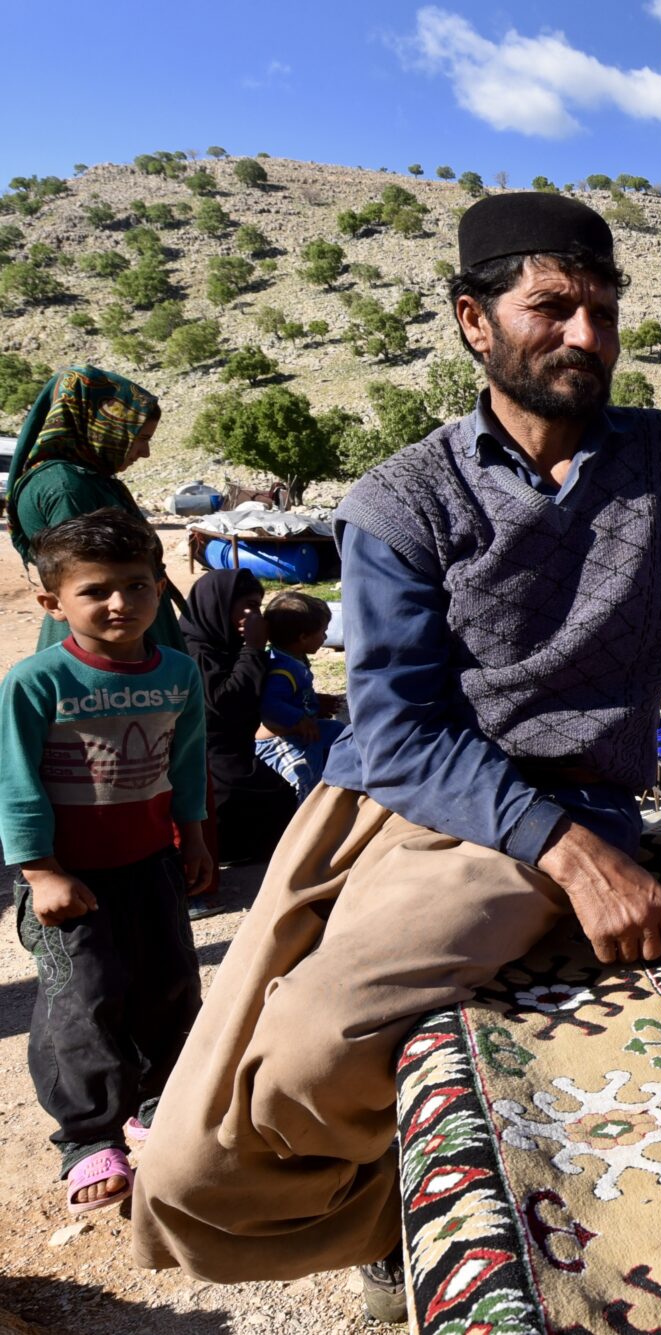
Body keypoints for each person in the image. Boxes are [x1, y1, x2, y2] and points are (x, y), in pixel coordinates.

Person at [130, 192, 661, 1322]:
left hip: (531, 819)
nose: (584, 336)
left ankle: (409, 1212)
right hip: (397, 800)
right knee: (201, 1152)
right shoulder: (403, 501)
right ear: (473, 321)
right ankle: (409, 1208)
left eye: (602, 310)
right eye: (551, 306)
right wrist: (572, 856)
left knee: (310, 1054)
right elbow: (401, 728)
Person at [0, 509, 212, 1215]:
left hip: (151, 862)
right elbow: (16, 782)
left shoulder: (179, 672)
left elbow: (185, 765)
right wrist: (39, 872)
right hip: (72, 878)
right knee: (83, 1000)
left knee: (171, 982)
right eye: (96, 590)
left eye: (137, 584)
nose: (120, 602)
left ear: (160, 586)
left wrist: (196, 837)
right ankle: (89, 1135)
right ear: (53, 602)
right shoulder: (36, 682)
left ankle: (161, 1103)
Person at [4, 366, 188, 654]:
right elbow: (88, 573)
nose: (144, 452)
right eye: (141, 438)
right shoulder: (67, 486)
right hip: (110, 646)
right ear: (103, 426)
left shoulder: (89, 479)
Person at [178, 569, 298, 865]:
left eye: (258, 606)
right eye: (246, 605)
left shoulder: (228, 646)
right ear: (217, 605)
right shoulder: (194, 651)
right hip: (209, 761)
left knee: (280, 796)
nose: (253, 615)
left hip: (237, 753)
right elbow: (225, 705)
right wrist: (254, 649)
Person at [253, 591, 345, 800]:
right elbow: (271, 705)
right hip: (280, 739)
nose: (325, 637)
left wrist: (315, 701)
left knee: (342, 734)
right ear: (303, 637)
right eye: (322, 632)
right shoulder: (281, 669)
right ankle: (304, 816)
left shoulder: (294, 658)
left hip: (304, 728)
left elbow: (294, 693)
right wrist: (299, 719)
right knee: (304, 777)